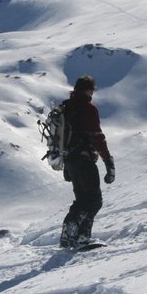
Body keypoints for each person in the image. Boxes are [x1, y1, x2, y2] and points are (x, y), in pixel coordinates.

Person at [59, 75, 116, 248]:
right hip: (84, 160)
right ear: (89, 90)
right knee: (94, 200)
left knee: (81, 200)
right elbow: (97, 137)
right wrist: (108, 160)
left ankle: (67, 237)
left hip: (70, 160)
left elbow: (63, 138)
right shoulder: (87, 109)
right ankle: (83, 237)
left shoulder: (66, 107)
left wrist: (66, 165)